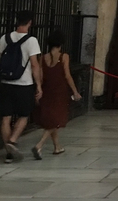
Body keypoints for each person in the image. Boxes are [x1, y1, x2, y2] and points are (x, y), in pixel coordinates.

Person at [0, 11, 43, 162]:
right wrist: (38, 85)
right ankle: (12, 141)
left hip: (5, 83)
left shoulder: (4, 38)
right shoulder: (31, 41)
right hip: (24, 84)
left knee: (5, 118)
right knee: (24, 116)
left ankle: (9, 155)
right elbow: (35, 65)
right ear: (30, 22)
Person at [31, 30, 81, 159]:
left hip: (47, 91)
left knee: (52, 120)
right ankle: (39, 145)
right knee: (56, 120)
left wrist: (39, 89)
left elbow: (41, 78)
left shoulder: (43, 58)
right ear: (61, 43)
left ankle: (57, 146)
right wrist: (75, 91)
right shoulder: (63, 56)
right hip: (59, 92)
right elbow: (67, 75)